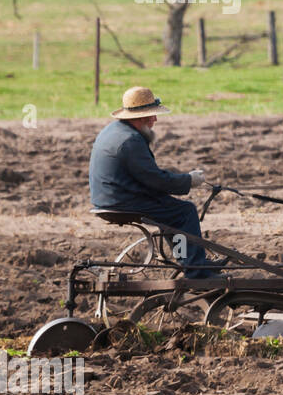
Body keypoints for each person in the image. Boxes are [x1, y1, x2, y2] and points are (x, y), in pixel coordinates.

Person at [89, 86, 222, 278]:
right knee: (185, 212)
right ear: (141, 117)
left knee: (172, 214)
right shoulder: (131, 141)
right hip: (122, 200)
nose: (155, 120)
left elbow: (147, 176)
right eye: (152, 116)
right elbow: (156, 181)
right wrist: (189, 180)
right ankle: (196, 271)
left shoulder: (113, 130)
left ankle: (189, 261)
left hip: (110, 196)